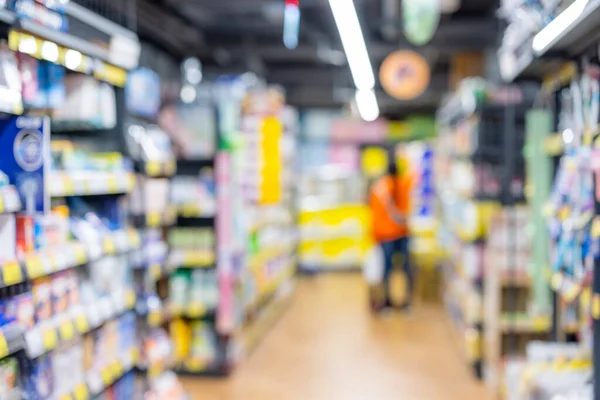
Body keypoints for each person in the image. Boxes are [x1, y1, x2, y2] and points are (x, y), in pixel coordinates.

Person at [368, 155, 414, 312]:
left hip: (387, 234)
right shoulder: (401, 184)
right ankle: (404, 302)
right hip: (397, 233)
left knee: (387, 269)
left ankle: (388, 301)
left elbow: (373, 211)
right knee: (404, 268)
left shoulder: (380, 187)